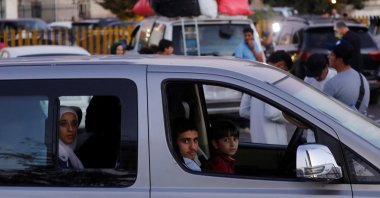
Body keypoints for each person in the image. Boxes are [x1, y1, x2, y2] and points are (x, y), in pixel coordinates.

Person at [239, 51, 292, 145]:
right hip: (275, 144)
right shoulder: (275, 79)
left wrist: (257, 116)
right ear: (282, 66)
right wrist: (292, 117)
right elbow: (271, 114)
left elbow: (243, 111)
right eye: (287, 71)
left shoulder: (254, 78)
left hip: (257, 141)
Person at [324, 40, 370, 114]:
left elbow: (322, 113)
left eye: (332, 54)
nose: (328, 56)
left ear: (340, 60)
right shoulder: (362, 78)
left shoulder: (332, 84)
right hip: (361, 123)